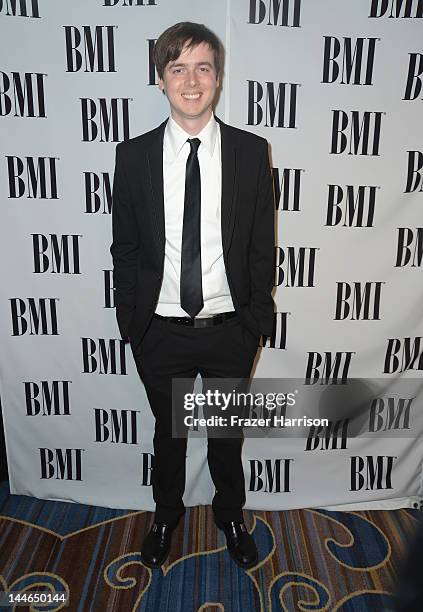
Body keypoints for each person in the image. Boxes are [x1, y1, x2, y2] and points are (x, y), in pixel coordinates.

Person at [110, 21, 275, 570]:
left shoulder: (252, 153)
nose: (190, 80)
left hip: (231, 328)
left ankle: (230, 515)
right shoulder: (132, 157)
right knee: (170, 438)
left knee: (227, 438)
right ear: (160, 80)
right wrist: (132, 321)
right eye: (177, 68)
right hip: (159, 330)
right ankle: (166, 517)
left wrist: (255, 321)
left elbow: (260, 246)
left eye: (202, 66)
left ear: (218, 77)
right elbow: (126, 247)